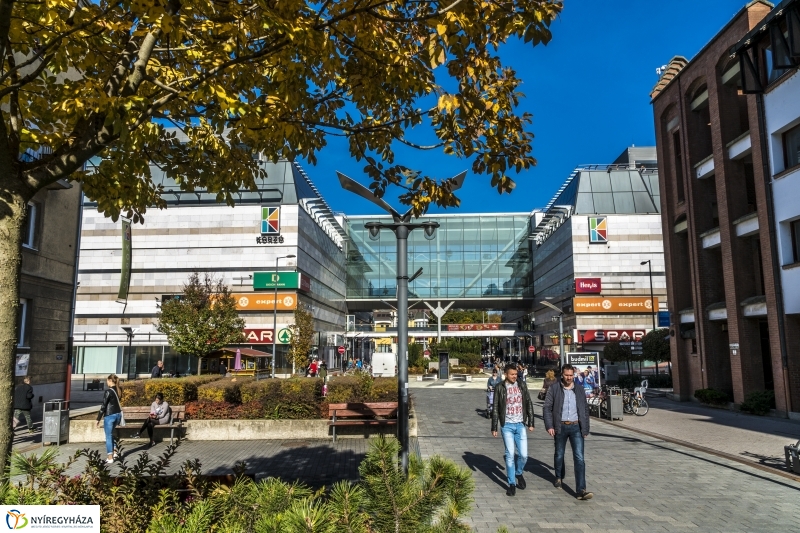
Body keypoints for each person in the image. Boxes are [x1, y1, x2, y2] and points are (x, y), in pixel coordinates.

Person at [543, 364, 593, 500]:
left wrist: (585, 428)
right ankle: (559, 476)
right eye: (566, 375)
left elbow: (585, 410)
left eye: (571, 375)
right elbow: (547, 408)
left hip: (577, 427)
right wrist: (549, 425)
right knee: (559, 454)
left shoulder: (579, 389)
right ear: (562, 375)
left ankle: (581, 490)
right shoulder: (554, 389)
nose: (569, 378)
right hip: (560, 426)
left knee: (579, 458)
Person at [491, 363, 535, 497]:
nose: (515, 376)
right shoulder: (500, 387)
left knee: (523, 455)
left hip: (520, 424)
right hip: (507, 425)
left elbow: (528, 402)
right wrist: (494, 426)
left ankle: (519, 472)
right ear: (505, 374)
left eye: (516, 374)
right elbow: (496, 408)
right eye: (512, 374)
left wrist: (531, 422)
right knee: (510, 454)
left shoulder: (521, 385)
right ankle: (511, 484)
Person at [96, 374, 123, 464]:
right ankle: (115, 452)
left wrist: (98, 419)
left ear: (110, 381)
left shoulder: (108, 391)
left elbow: (103, 406)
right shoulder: (118, 390)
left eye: (107, 380)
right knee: (111, 434)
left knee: (108, 436)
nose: (106, 382)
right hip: (117, 415)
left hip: (110, 416)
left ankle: (110, 457)